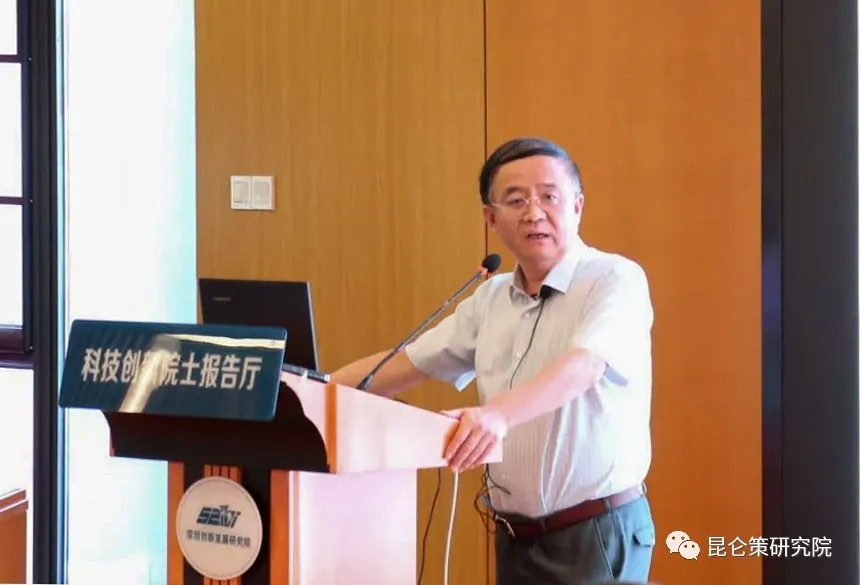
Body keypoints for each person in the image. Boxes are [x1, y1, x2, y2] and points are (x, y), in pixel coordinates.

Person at [330, 137, 656, 584]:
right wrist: (305, 389)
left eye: (549, 196)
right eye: (516, 200)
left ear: (577, 206)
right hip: (515, 536)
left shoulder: (614, 279)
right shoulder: (490, 299)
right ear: (491, 217)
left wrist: (498, 415)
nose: (534, 212)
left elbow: (585, 366)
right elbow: (405, 365)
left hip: (596, 532)